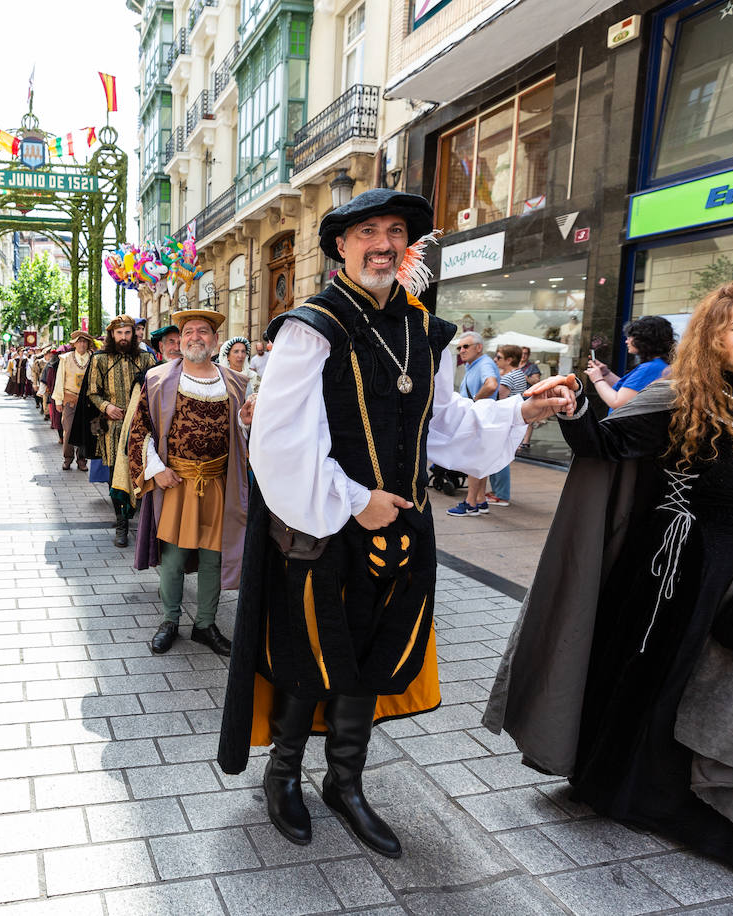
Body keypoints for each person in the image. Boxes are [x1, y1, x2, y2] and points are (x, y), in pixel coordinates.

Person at [217, 188, 575, 858]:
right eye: (368, 233)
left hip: (406, 534)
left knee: (375, 661)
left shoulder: (425, 330)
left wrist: (519, 414)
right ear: (342, 248)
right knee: (313, 659)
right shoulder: (309, 327)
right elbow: (281, 441)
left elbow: (445, 424)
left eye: (395, 233)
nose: (384, 244)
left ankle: (345, 784)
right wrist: (356, 499)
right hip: (324, 530)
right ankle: (283, 775)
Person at [485, 278, 733, 901]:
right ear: (715, 334)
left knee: (730, 691)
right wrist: (577, 403)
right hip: (673, 573)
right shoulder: (679, 398)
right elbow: (606, 445)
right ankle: (635, 793)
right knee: (660, 683)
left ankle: (700, 805)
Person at [126, 309, 249, 658]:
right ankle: (169, 621)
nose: (196, 337)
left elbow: (243, 437)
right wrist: (157, 469)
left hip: (218, 482)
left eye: (204, 332)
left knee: (213, 557)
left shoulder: (236, 382)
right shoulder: (158, 379)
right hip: (175, 483)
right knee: (173, 558)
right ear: (180, 340)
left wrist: (246, 423)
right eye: (190, 331)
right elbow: (139, 430)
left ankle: (205, 624)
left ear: (215, 340)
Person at [71, 315, 158, 546]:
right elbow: (92, 392)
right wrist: (106, 407)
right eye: (119, 333)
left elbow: (156, 390)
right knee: (115, 478)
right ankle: (121, 525)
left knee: (144, 474)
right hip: (112, 429)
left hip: (142, 428)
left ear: (134, 334)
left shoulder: (147, 358)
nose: (123, 337)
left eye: (127, 333)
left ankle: (146, 524)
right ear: (112, 335)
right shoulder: (100, 359)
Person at [446, 331, 500, 517]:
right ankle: (480, 500)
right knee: (480, 462)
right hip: (481, 419)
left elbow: (491, 385)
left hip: (479, 418)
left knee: (473, 462)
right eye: (459, 347)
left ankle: (470, 503)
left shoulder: (484, 363)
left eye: (466, 346)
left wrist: (474, 400)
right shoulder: (475, 365)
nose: (461, 350)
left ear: (479, 347)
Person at [587, 314, 675, 413]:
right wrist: (606, 374)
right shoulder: (660, 365)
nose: (626, 341)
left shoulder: (649, 368)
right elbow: (629, 390)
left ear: (644, 339)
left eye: (631, 337)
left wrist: (597, 379)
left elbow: (618, 402)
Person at [485, 344, 526, 508]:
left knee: (499, 458)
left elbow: (498, 399)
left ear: (509, 360)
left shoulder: (508, 378)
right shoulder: (519, 374)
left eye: (499, 357)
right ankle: (498, 492)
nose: (495, 360)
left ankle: (501, 495)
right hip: (514, 420)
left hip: (504, 422)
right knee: (500, 456)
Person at [55, 329, 95, 470]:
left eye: (84, 341)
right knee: (69, 430)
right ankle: (68, 458)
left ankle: (82, 460)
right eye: (79, 341)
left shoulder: (93, 358)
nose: (82, 344)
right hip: (69, 399)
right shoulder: (65, 359)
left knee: (85, 430)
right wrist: (58, 401)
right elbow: (60, 379)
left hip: (87, 401)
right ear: (74, 344)